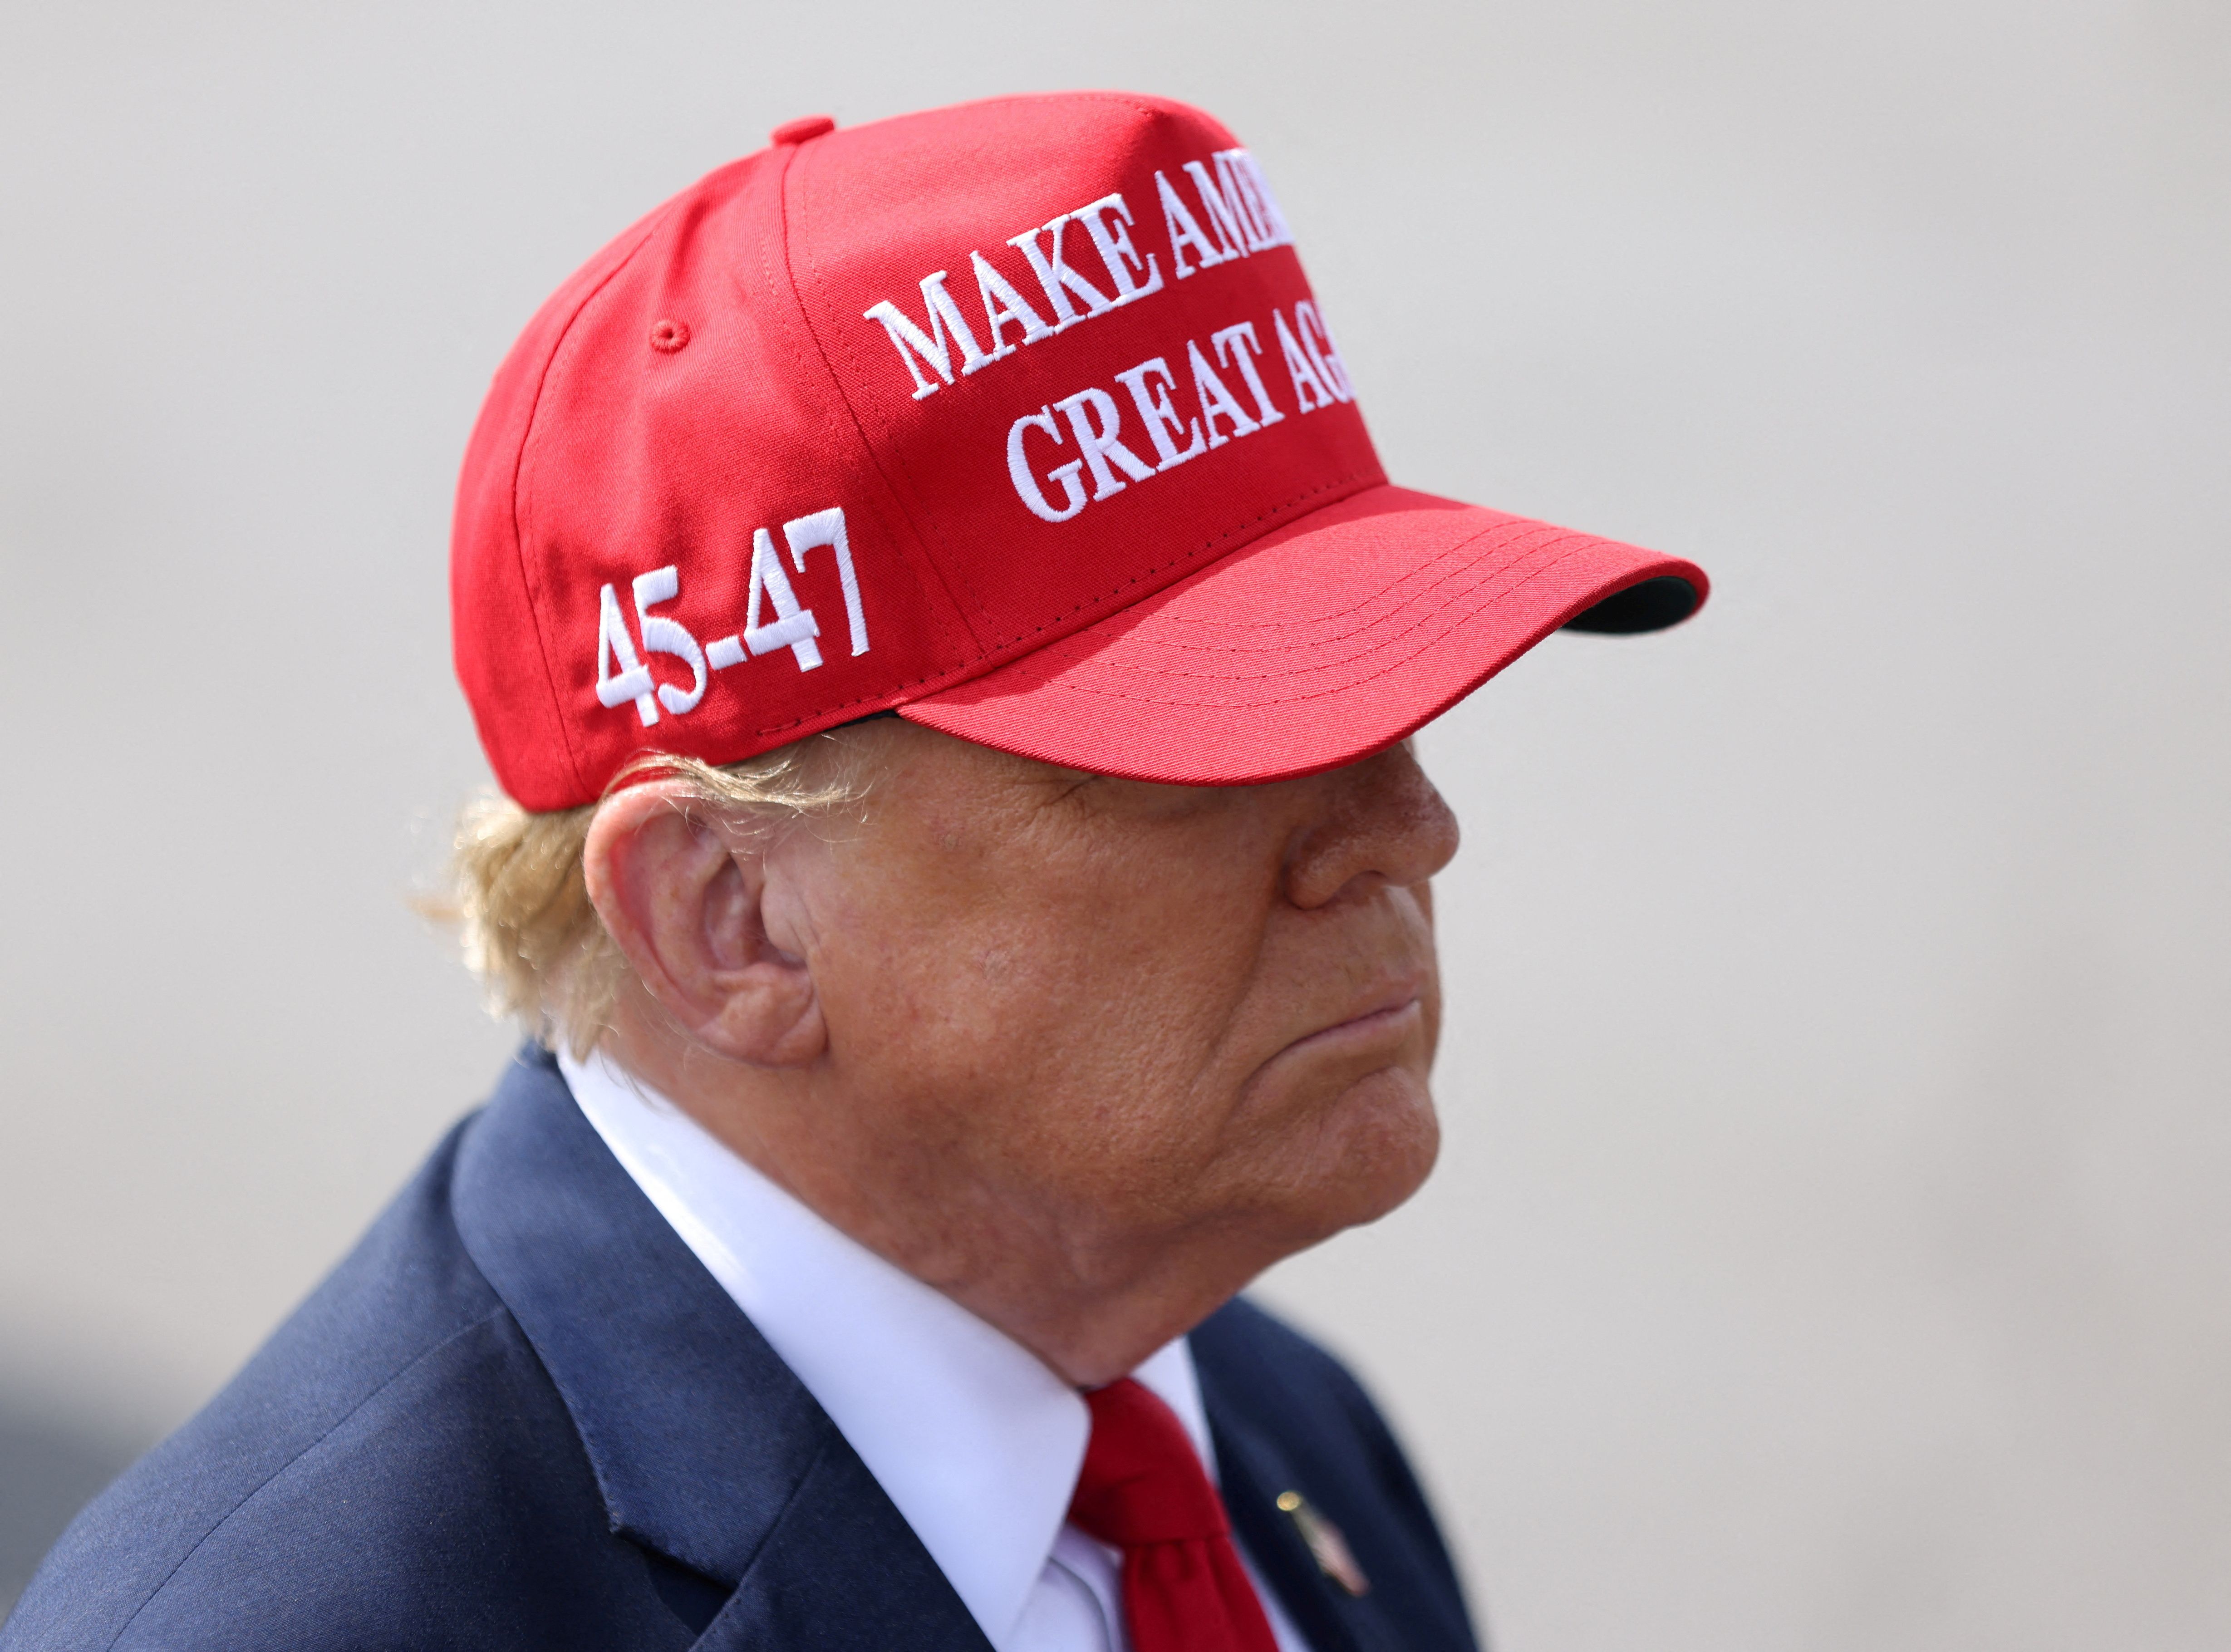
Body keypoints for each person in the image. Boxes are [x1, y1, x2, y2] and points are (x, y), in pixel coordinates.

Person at [2, 91, 1705, 1652]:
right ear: (728, 919)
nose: (1410, 835)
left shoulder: (1265, 1432)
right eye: (1209, 760)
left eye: (1392, 706)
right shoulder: (299, 1620)